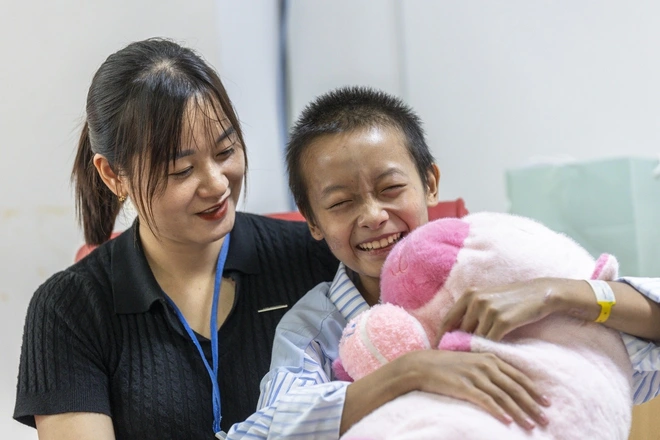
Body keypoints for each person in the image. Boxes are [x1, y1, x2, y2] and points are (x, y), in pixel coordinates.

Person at [228, 86, 660, 438]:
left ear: (430, 183)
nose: (374, 215)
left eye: (391, 188)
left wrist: (558, 292)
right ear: (313, 221)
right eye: (341, 203)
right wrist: (409, 373)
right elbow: (265, 430)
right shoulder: (317, 327)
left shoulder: (495, 260)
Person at [13, 38, 339, 440]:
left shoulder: (315, 257)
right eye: (182, 170)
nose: (217, 184)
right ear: (114, 175)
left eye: (225, 151)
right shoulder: (69, 309)